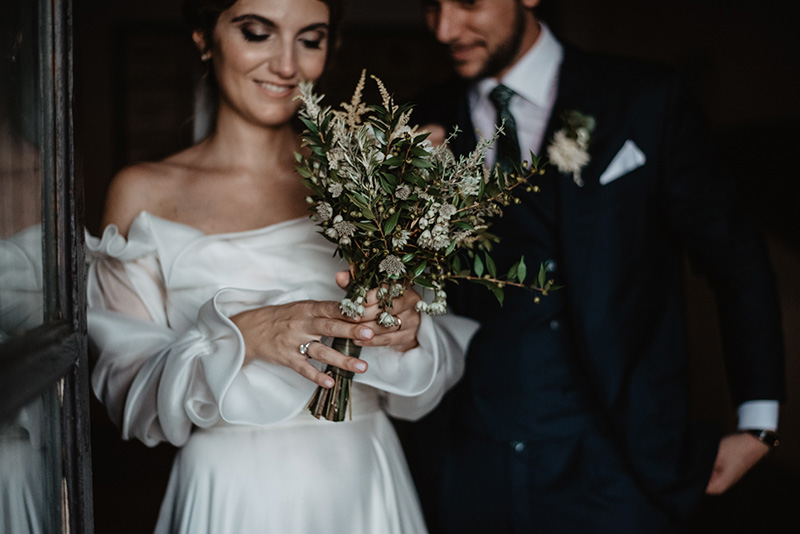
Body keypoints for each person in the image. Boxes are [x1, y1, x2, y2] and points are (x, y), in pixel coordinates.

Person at [85, 1, 477, 532]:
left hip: (362, 476)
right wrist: (244, 336)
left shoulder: (368, 182)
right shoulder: (143, 192)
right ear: (204, 36)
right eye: (257, 33)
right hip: (232, 488)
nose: (287, 65)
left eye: (310, 40)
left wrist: (405, 332)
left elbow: (422, 388)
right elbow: (125, 394)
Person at [400, 1, 787, 532]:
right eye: (431, 5)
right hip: (468, 464)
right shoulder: (417, 122)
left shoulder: (645, 99)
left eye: (467, 2)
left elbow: (734, 258)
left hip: (620, 462)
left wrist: (759, 423)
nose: (445, 28)